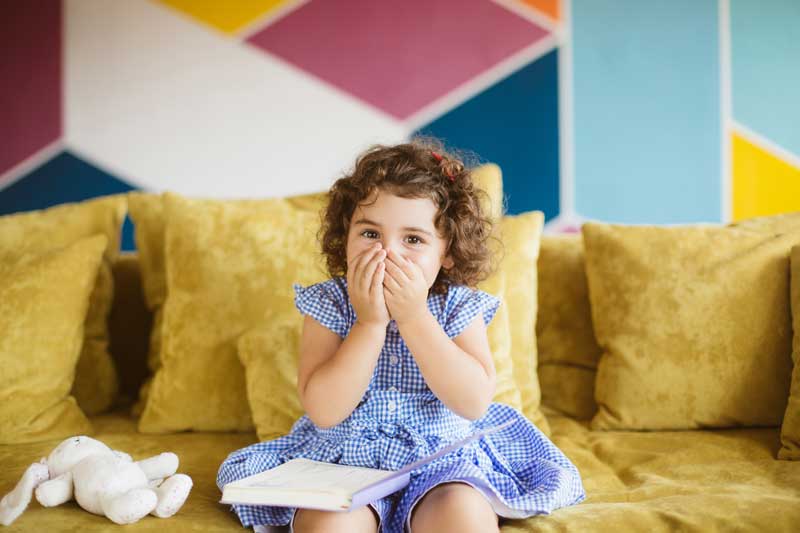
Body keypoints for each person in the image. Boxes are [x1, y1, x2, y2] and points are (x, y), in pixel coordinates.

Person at [217, 138, 585, 533]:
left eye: (413, 239)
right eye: (370, 234)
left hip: (441, 459)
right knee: (326, 525)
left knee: (462, 516)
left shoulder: (457, 306)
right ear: (346, 236)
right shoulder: (329, 303)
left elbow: (473, 402)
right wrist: (369, 324)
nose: (388, 253)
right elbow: (323, 410)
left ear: (447, 253)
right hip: (344, 460)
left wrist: (413, 317)